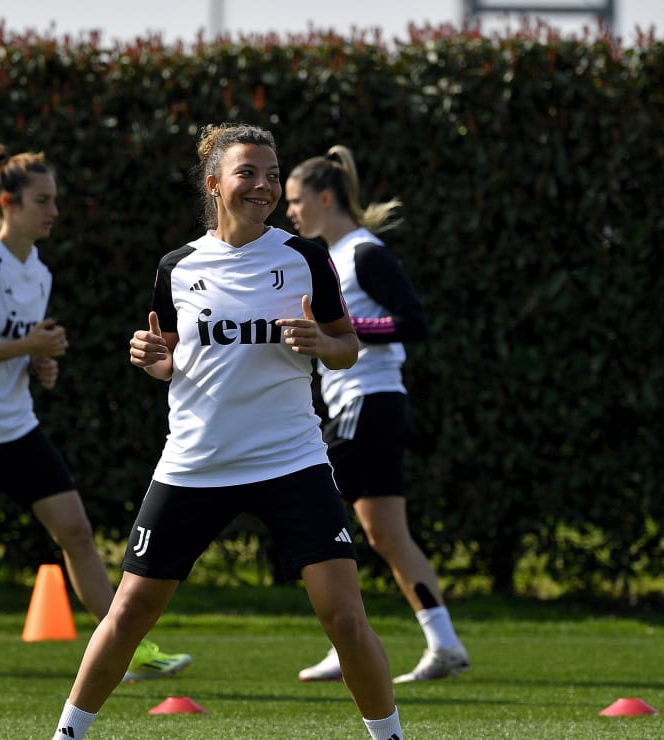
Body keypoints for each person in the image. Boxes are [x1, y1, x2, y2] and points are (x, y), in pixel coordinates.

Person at [49, 123, 404, 740]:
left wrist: (325, 342)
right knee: (130, 612)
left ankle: (391, 737)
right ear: (214, 183)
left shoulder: (307, 257)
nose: (264, 186)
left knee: (345, 618)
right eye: (249, 173)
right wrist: (154, 359)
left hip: (291, 461)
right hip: (195, 464)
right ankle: (67, 735)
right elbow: (170, 359)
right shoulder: (177, 267)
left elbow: (346, 345)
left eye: (272, 174)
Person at [0, 144, 191, 696]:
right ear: (8, 203)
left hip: (17, 428)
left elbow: (13, 349)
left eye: (55, 201)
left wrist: (37, 363)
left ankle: (128, 646)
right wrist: (27, 343)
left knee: (76, 532)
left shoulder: (38, 269)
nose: (54, 212)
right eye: (43, 201)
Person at [285, 145, 470, 684]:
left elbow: (413, 322)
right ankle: (446, 644)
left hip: (370, 404)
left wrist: (346, 332)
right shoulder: (329, 258)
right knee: (386, 534)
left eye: (296, 200)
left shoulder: (365, 254)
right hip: (367, 407)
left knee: (307, 512)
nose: (290, 212)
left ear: (325, 197)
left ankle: (348, 645)